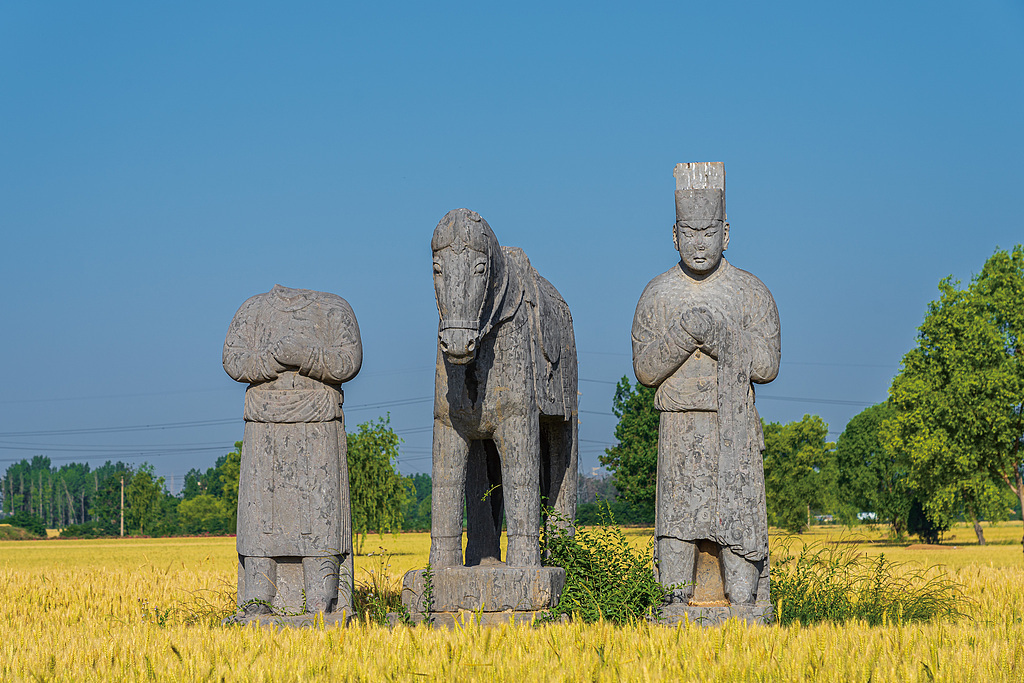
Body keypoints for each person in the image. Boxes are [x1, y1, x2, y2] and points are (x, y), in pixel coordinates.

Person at [631, 171, 780, 605]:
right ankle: (677, 608)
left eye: (709, 231)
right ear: (674, 235)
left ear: (726, 233)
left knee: (738, 548)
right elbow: (645, 369)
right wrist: (682, 333)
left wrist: (718, 336)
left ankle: (743, 607)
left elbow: (767, 365)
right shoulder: (658, 295)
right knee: (677, 536)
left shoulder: (751, 292)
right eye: (690, 232)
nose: (699, 243)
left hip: (733, 430)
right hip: (678, 431)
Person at [223, 284, 362, 615]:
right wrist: (271, 357)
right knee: (260, 519)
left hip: (318, 426)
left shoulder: (333, 309)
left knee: (321, 514)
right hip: (264, 426)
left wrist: (306, 356)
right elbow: (232, 360)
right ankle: (258, 597)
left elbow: (348, 360)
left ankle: (323, 600)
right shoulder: (253, 310)